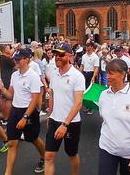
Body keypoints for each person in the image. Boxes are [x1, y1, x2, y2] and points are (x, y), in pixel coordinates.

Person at [0, 48, 45, 175]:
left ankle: (45, 157)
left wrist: (25, 117)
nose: (15, 61)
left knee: (33, 139)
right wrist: (2, 89)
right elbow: (10, 95)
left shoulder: (33, 76)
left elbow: (34, 100)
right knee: (12, 143)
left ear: (26, 60)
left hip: (29, 112)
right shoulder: (14, 75)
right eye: (14, 59)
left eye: (18, 59)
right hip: (15, 110)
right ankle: (8, 172)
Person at [98, 59, 130, 175]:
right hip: (107, 148)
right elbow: (104, 119)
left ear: (122, 74)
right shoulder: (103, 95)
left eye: (111, 73)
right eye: (107, 73)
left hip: (129, 152)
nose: (107, 76)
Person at [44, 42, 85, 175]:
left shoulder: (77, 76)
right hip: (55, 120)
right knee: (49, 156)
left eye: (61, 54)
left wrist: (65, 124)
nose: (57, 57)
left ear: (69, 56)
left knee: (71, 154)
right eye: (56, 54)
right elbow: (52, 96)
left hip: (71, 123)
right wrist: (50, 116)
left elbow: (78, 103)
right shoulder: (54, 74)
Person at [80, 41, 99, 115]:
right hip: (85, 73)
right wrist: (79, 73)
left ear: (91, 47)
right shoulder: (84, 56)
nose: (87, 47)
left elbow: (96, 68)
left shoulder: (95, 57)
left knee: (90, 91)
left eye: (88, 46)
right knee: (85, 90)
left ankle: (91, 108)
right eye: (86, 46)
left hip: (91, 74)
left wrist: (94, 77)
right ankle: (87, 106)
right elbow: (82, 65)